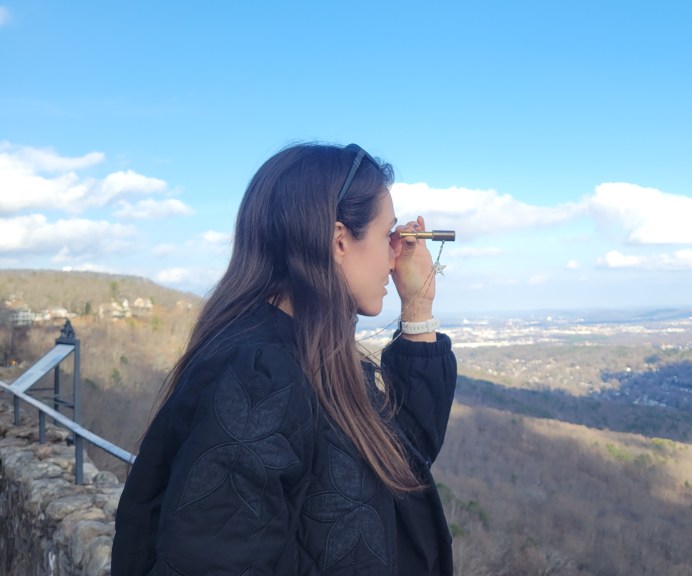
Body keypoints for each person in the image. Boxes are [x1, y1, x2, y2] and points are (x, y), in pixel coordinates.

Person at [112, 143, 457, 575]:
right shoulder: (260, 378)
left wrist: (418, 310)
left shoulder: (310, 354)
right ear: (338, 242)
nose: (396, 256)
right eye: (388, 235)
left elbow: (404, 461)